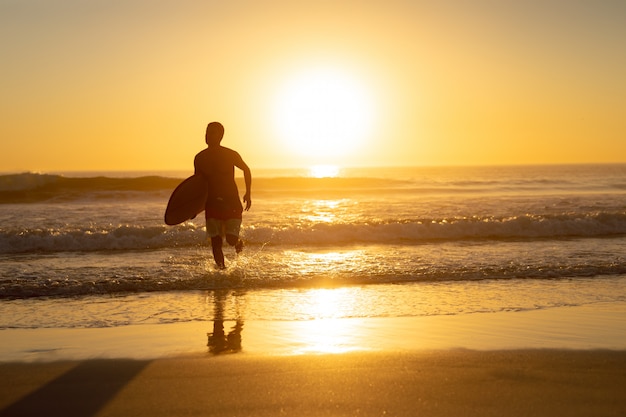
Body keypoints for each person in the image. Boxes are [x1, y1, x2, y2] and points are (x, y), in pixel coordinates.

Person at [194, 122, 251, 269]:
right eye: (207, 132)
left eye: (212, 132)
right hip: (212, 203)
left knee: (231, 240)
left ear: (221, 135)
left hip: (231, 201)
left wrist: (248, 193)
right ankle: (222, 271)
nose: (207, 135)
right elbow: (197, 184)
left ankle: (238, 242)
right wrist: (193, 208)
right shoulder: (199, 158)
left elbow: (246, 169)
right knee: (216, 242)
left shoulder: (230, 154)